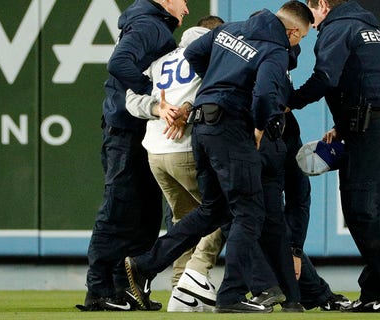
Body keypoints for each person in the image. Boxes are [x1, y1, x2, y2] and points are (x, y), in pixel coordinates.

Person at [123, 1, 314, 313]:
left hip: (202, 127)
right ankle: (231, 295)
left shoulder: (231, 29)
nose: (297, 44)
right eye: (301, 39)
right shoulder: (275, 49)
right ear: (293, 31)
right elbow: (266, 95)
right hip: (231, 130)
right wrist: (262, 123)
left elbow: (194, 53)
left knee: (212, 210)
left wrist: (214, 86)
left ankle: (146, 263)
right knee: (250, 212)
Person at [287, 0, 380, 313]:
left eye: (312, 11)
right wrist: (343, 124)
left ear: (323, 4)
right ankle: (375, 291)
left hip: (373, 129)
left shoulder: (337, 27)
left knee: (360, 209)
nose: (312, 21)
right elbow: (373, 82)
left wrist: (289, 102)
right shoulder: (374, 31)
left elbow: (325, 78)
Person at [76, 0, 189, 312]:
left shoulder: (151, 23)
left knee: (146, 216)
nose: (186, 8)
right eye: (183, 1)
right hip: (125, 131)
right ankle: (99, 290)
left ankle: (125, 289)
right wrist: (151, 93)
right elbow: (119, 63)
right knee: (119, 211)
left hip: (141, 132)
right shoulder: (147, 24)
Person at [125, 16, 226, 313]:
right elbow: (217, 94)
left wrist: (159, 109)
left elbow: (130, 99)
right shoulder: (211, 54)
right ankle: (193, 277)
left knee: (184, 220)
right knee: (220, 213)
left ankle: (180, 291)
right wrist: (186, 110)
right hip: (187, 147)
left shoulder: (161, 59)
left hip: (155, 152)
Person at [282, 44, 352, 311]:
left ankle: (306, 293)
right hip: (249, 146)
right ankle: (250, 289)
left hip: (280, 138)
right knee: (252, 220)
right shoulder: (265, 58)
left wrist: (295, 249)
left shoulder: (278, 63)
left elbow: (300, 197)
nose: (295, 47)